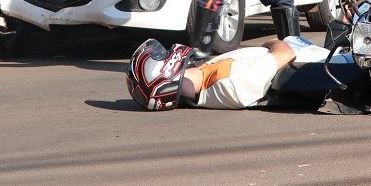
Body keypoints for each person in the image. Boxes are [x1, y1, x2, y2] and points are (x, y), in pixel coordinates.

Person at [126, 37, 298, 111]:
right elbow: (286, 54)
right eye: (161, 57)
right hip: (306, 60)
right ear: (167, 71)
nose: (168, 52)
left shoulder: (206, 76)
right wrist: (274, 41)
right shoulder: (232, 79)